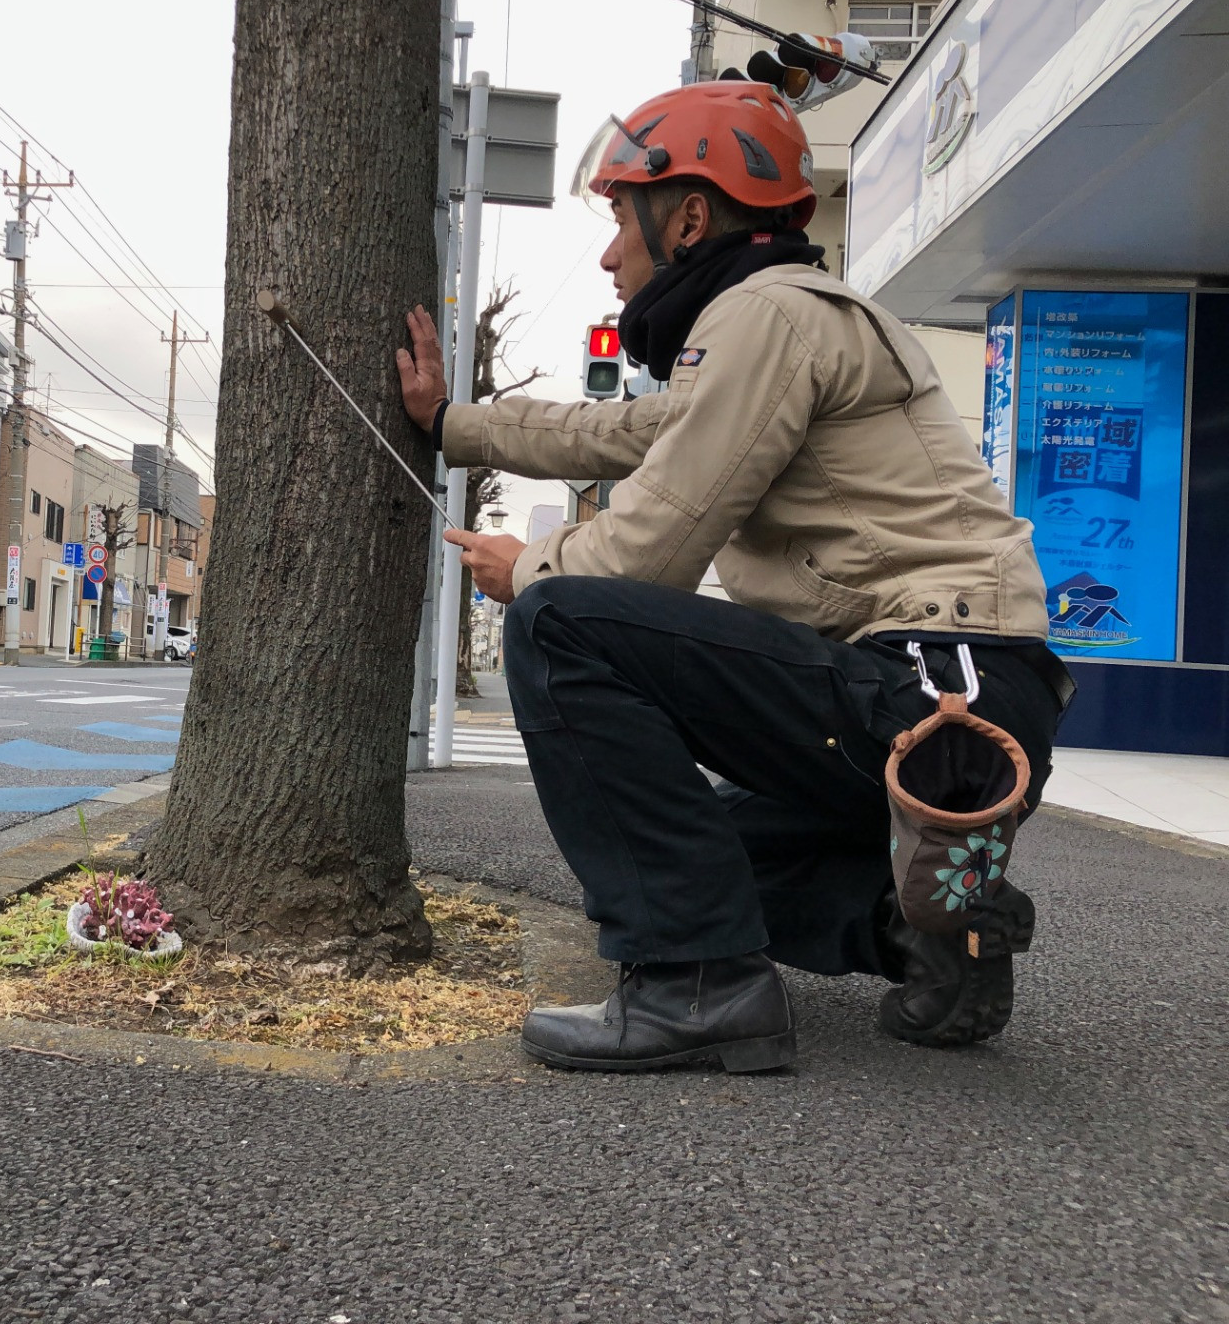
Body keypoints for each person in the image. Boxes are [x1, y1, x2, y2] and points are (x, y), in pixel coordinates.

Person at [394, 80, 1075, 1073]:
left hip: (933, 692)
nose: (609, 251)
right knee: (687, 857)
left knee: (565, 624)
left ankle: (696, 988)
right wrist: (452, 424)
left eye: (622, 219)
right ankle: (926, 927)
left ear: (692, 218)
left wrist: (529, 571)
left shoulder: (769, 313)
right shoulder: (772, 326)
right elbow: (617, 430)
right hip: (957, 713)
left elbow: (647, 552)